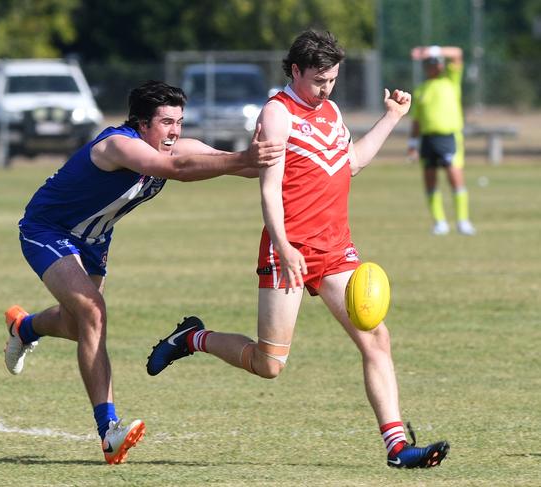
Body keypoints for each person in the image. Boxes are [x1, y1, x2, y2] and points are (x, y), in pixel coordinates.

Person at [147, 30, 450, 469]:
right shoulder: (278, 113)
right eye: (318, 80)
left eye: (332, 80)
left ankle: (397, 448)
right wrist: (285, 246)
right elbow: (269, 191)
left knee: (377, 340)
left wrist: (391, 117)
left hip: (335, 249)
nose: (326, 88)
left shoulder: (331, 111)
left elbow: (351, 165)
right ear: (295, 71)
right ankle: (192, 338)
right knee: (269, 364)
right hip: (288, 248)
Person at [3, 80, 284, 465]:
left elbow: (235, 162)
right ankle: (109, 432)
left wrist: (267, 153)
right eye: (167, 122)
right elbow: (176, 168)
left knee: (77, 325)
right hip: (48, 230)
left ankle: (25, 328)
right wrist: (242, 159)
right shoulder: (118, 145)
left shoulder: (171, 145)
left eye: (180, 122)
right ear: (141, 122)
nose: (175, 131)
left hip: (94, 239)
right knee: (93, 314)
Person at [408, 45, 476, 236]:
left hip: (448, 137)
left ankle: (463, 220)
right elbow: (417, 120)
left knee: (455, 177)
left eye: (437, 63)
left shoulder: (451, 82)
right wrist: (412, 144)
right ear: (426, 68)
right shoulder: (421, 89)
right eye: (430, 63)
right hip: (428, 139)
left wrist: (431, 50)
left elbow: (457, 53)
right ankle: (439, 222)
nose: (435, 66)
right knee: (430, 180)